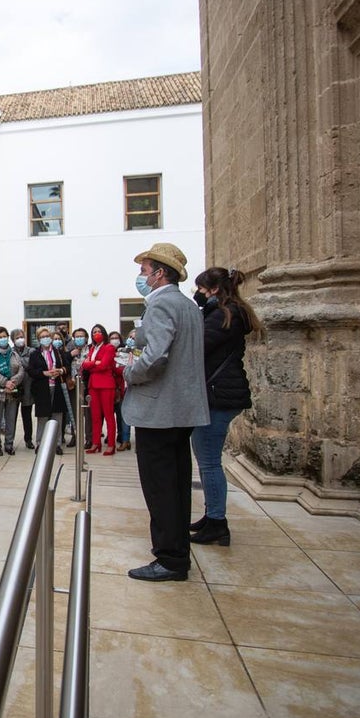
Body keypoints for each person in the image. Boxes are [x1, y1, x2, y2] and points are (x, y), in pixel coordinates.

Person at [122, 242, 209, 582]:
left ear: (159, 273)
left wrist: (130, 372)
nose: (141, 277)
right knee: (177, 484)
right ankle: (177, 550)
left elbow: (156, 357)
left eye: (144, 271)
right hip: (182, 408)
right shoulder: (188, 306)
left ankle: (170, 558)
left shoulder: (160, 304)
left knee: (160, 488)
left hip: (158, 410)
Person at [189, 267, 259, 546]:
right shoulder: (226, 312)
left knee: (209, 462)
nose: (198, 294)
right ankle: (212, 514)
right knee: (207, 459)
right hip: (221, 393)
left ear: (214, 289)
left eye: (201, 289)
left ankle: (217, 522)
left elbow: (197, 346)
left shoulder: (223, 315)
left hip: (218, 395)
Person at [28, 327, 71, 452]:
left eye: (47, 336)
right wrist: (44, 373)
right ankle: (40, 443)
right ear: (38, 339)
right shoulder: (35, 354)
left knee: (57, 416)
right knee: (43, 417)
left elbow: (67, 366)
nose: (45, 339)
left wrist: (61, 371)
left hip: (57, 388)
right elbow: (31, 371)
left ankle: (57, 444)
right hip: (42, 389)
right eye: (42, 337)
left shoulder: (58, 352)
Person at [0, 326, 25, 455]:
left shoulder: (14, 354)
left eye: (5, 336)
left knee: (11, 419)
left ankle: (9, 444)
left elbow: (21, 370)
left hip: (12, 392)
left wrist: (12, 382)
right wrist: (4, 382)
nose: (3, 339)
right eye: (0, 337)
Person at [81, 324, 118, 455]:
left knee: (108, 415)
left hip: (106, 384)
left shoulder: (109, 347)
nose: (96, 334)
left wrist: (92, 364)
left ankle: (111, 444)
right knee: (95, 416)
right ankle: (96, 442)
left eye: (99, 331)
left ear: (104, 333)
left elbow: (103, 365)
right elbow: (84, 365)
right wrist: (94, 363)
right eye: (94, 332)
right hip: (93, 385)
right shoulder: (92, 348)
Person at [11, 329, 36, 450]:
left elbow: (31, 365)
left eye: (21, 337)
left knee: (27, 415)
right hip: (15, 387)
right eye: (17, 338)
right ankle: (10, 440)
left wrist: (19, 363)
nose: (20, 340)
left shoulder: (31, 351)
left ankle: (28, 439)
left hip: (28, 387)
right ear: (13, 340)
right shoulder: (10, 352)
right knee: (12, 415)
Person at [110, 331, 131, 451]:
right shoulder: (109, 351)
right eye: (112, 338)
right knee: (117, 415)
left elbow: (125, 368)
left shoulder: (126, 352)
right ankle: (120, 436)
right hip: (113, 388)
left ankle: (125, 439)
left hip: (125, 387)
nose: (114, 340)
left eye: (116, 338)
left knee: (124, 415)